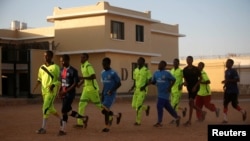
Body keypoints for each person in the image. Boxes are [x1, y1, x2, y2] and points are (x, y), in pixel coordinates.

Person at [57, 54, 89, 136]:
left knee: (63, 110)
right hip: (64, 93)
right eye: (60, 61)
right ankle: (84, 118)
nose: (61, 63)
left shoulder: (73, 71)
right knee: (68, 111)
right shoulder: (61, 70)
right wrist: (60, 91)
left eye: (63, 61)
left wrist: (66, 91)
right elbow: (62, 82)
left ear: (68, 61)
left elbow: (75, 84)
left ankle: (63, 130)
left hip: (70, 94)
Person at [32, 50, 61, 134]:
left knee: (45, 108)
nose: (45, 57)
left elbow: (59, 80)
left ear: (51, 57)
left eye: (47, 56)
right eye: (44, 56)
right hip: (43, 91)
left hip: (51, 91)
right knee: (50, 108)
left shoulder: (56, 67)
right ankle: (62, 120)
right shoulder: (41, 67)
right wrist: (35, 87)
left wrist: (53, 85)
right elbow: (39, 79)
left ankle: (43, 128)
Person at [75, 53, 102, 128]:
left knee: (99, 105)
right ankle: (80, 123)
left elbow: (93, 76)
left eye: (83, 58)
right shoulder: (82, 66)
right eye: (81, 57)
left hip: (92, 89)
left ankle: (109, 116)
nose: (81, 59)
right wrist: (80, 84)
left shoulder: (88, 65)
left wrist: (82, 78)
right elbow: (85, 77)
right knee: (81, 104)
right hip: (86, 89)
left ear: (87, 58)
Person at [151, 60, 181, 127]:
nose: (159, 65)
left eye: (161, 64)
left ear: (164, 66)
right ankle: (177, 117)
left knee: (159, 106)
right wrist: (149, 82)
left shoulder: (167, 73)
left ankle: (159, 122)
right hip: (159, 92)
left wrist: (170, 87)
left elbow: (174, 79)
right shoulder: (156, 73)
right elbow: (153, 81)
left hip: (165, 93)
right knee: (168, 107)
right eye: (159, 64)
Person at [221, 59, 247, 123]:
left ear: (231, 64)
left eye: (228, 63)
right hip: (228, 90)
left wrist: (227, 81)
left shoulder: (233, 71)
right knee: (225, 103)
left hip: (233, 91)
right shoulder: (226, 71)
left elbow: (237, 80)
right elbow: (227, 80)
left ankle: (243, 112)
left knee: (234, 104)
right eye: (226, 62)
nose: (226, 64)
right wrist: (225, 84)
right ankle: (225, 119)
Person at [100, 57, 122, 132]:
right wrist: (102, 94)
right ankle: (117, 115)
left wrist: (112, 90)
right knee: (103, 111)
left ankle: (107, 127)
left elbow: (119, 83)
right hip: (105, 94)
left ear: (109, 64)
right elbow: (104, 85)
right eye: (102, 64)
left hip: (111, 94)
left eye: (105, 64)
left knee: (105, 110)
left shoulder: (113, 73)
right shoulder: (102, 73)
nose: (103, 65)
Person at [128, 57, 151, 126]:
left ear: (143, 63)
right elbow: (135, 80)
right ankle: (146, 108)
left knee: (138, 105)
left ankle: (138, 121)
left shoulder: (146, 70)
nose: (138, 62)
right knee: (133, 105)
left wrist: (144, 86)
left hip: (142, 90)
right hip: (136, 90)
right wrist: (132, 87)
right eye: (138, 61)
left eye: (140, 61)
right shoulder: (135, 70)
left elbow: (150, 80)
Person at [182, 56, 202, 126]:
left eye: (189, 60)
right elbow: (184, 78)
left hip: (195, 87)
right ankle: (201, 111)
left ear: (192, 60)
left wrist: (195, 86)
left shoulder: (196, 69)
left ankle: (189, 121)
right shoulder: (185, 69)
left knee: (191, 101)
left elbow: (200, 79)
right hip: (189, 88)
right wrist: (185, 82)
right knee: (191, 104)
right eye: (187, 60)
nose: (188, 61)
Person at [169, 58, 187, 123]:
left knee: (174, 106)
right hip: (172, 90)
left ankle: (175, 118)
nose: (175, 63)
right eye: (174, 62)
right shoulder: (171, 71)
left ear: (178, 63)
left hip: (178, 90)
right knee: (172, 105)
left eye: (176, 62)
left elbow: (185, 80)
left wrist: (182, 84)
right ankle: (183, 110)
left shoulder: (181, 71)